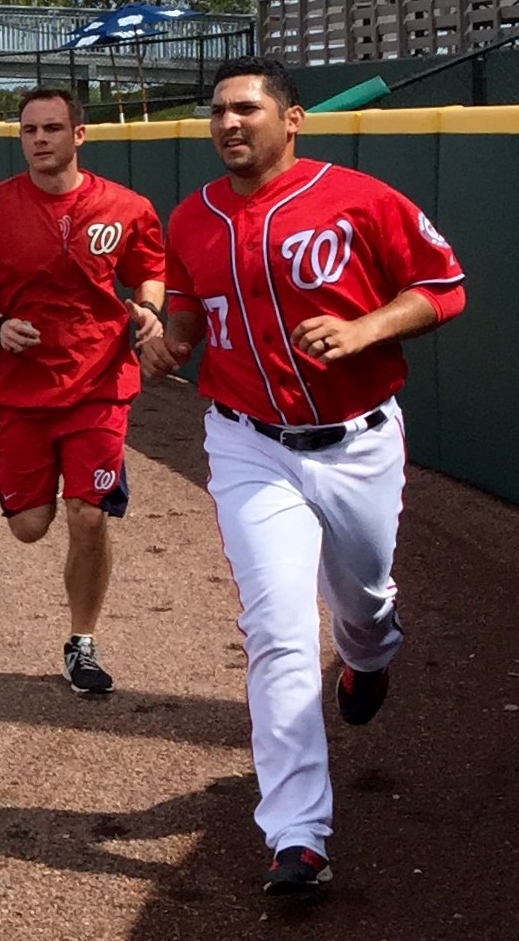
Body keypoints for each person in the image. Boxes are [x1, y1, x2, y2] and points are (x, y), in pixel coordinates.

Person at [140, 57, 467, 896]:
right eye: (216, 111)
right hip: (249, 444)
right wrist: (167, 343)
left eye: (246, 108)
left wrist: (364, 330)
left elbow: (441, 287)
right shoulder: (192, 217)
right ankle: (298, 836)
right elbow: (185, 317)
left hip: (357, 441)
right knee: (279, 630)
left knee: (361, 603)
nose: (227, 123)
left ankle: (368, 652)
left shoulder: (359, 198)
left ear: (293, 119)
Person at [0, 86, 164, 695]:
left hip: (100, 385)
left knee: (87, 516)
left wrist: (147, 308)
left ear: (78, 135)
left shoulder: (126, 207)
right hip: (20, 393)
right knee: (31, 526)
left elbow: (150, 272)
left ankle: (81, 643)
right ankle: (45, 482)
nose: (40, 140)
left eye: (53, 129)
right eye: (30, 130)